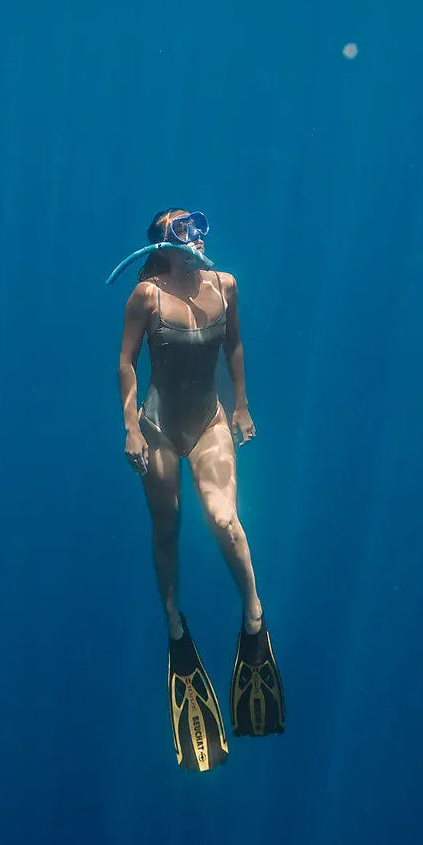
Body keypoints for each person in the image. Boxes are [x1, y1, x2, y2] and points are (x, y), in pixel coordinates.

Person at [111, 208, 284, 771]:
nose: (199, 236)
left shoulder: (225, 285)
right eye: (185, 229)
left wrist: (242, 405)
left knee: (224, 519)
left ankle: (254, 615)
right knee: (168, 525)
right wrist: (132, 426)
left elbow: (234, 346)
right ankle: (175, 626)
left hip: (209, 423)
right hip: (161, 425)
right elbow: (126, 362)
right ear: (165, 243)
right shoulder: (147, 296)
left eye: (199, 225)